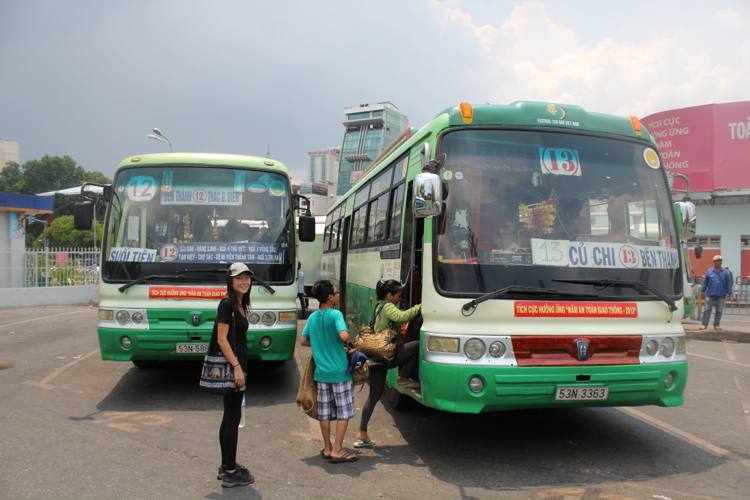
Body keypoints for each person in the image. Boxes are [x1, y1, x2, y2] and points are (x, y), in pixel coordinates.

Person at [355, 279, 422, 449]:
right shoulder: (388, 306)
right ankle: (403, 378)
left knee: (374, 397)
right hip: (387, 356)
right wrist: (421, 306)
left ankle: (362, 433)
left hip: (376, 359)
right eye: (398, 296)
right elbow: (403, 316)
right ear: (389, 295)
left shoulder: (379, 306)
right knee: (416, 345)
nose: (400, 299)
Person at [299, 280, 358, 463]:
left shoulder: (313, 317)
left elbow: (303, 341)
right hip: (340, 373)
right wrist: (345, 337)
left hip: (321, 374)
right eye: (336, 292)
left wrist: (318, 344)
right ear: (330, 297)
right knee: (344, 412)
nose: (338, 295)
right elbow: (344, 336)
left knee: (324, 412)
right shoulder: (336, 314)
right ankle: (338, 450)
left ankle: (327, 447)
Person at [215, 262, 255, 487]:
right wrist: (237, 366)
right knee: (232, 420)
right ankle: (230, 472)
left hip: (238, 368)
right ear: (230, 280)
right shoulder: (227, 304)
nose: (244, 282)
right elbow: (222, 339)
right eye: (239, 278)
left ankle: (226, 465)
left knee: (228, 418)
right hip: (234, 370)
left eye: (247, 278)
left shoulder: (239, 304)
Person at [700, 255, 732, 331]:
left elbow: (728, 283)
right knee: (707, 309)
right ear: (714, 262)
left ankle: (716, 325)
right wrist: (702, 291)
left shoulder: (725, 272)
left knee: (719, 310)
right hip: (710, 293)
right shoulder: (709, 271)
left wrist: (729, 293)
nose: (719, 262)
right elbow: (705, 282)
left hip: (721, 294)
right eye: (717, 260)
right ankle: (704, 324)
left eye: (720, 260)